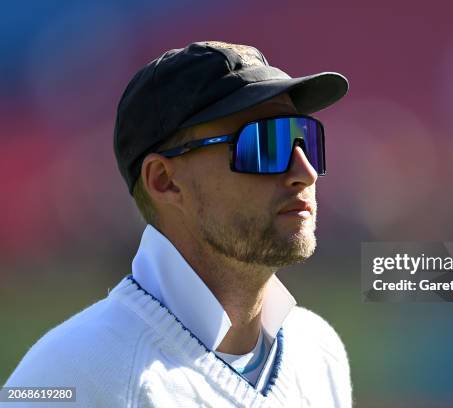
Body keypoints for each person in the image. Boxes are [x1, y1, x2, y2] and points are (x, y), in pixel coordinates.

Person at [3, 41, 352, 407]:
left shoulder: (318, 350)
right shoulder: (73, 374)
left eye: (304, 139)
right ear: (164, 181)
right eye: (266, 144)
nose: (305, 172)